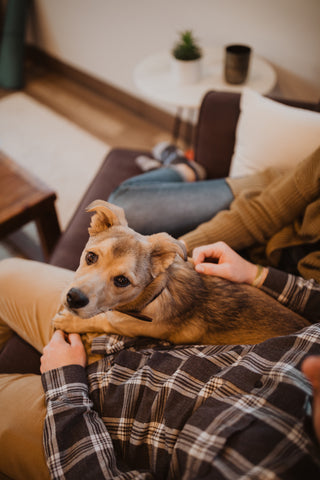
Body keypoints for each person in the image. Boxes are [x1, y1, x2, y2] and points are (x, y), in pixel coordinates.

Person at [0, 243, 320, 479]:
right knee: (5, 273)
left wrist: (65, 385)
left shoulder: (260, 470)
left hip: (90, 411)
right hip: (129, 338)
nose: (313, 367)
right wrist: (259, 274)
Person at [109, 143, 320, 283]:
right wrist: (178, 249)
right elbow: (263, 213)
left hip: (271, 271)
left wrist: (258, 276)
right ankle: (183, 168)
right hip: (262, 199)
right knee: (122, 208)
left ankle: (164, 173)